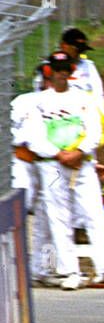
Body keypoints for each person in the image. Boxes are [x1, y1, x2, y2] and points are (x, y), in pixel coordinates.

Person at [18, 52, 104, 289]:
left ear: (71, 71)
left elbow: (94, 131)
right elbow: (33, 137)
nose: (62, 74)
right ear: (50, 72)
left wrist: (79, 152)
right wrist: (59, 154)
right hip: (52, 166)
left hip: (82, 164)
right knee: (58, 216)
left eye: (65, 69)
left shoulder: (84, 99)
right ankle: (69, 271)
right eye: (57, 69)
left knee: (96, 214)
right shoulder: (37, 102)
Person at [10, 65, 53, 281]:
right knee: (20, 211)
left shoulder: (68, 100)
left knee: (49, 216)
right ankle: (15, 267)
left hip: (51, 165)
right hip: (23, 163)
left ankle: (42, 269)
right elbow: (9, 129)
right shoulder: (24, 102)